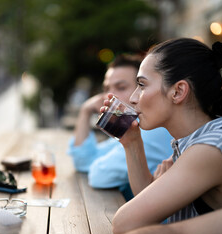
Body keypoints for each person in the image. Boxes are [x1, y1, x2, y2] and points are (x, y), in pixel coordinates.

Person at [112, 0, 222, 234]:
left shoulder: (214, 146)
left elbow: (126, 223)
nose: (133, 98)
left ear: (178, 91)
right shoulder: (199, 137)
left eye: (141, 85)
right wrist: (131, 141)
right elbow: (149, 206)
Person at [68, 54, 173, 201]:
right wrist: (85, 110)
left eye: (121, 87)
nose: (109, 96)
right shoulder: (133, 129)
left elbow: (99, 176)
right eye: (106, 89)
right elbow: (84, 161)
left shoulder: (153, 130)